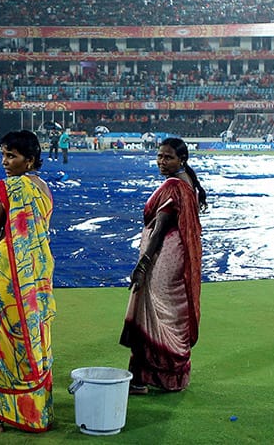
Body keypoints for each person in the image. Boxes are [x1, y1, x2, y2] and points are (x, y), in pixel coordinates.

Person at [0, 130, 54, 433]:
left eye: (12, 156)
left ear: (29, 160)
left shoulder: (9, 188)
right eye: (3, 154)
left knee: (1, 338)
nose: (5, 162)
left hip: (6, 271)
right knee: (31, 334)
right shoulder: (44, 189)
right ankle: (32, 410)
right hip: (36, 271)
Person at [120, 137, 207, 395]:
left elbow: (159, 229)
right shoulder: (187, 183)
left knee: (152, 314)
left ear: (182, 159)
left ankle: (139, 380)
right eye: (159, 156)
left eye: (167, 157)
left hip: (164, 259)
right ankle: (166, 376)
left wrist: (144, 264)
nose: (161, 161)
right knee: (169, 314)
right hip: (179, 258)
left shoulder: (172, 185)